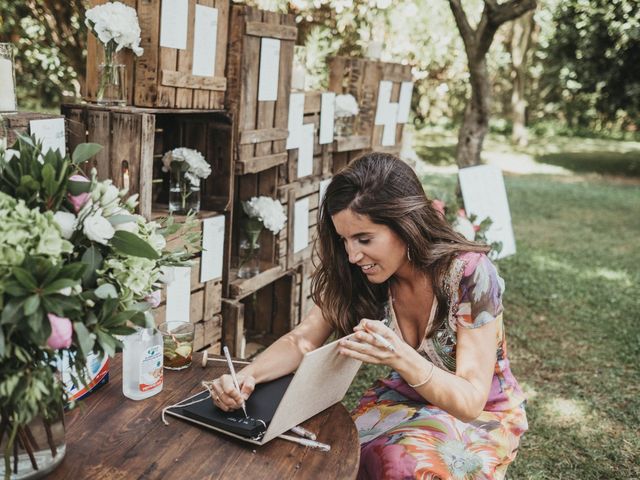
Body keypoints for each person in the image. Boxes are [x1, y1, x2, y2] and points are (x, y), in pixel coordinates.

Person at [208, 152, 528, 479]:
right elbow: (303, 339)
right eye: (344, 239)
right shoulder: (362, 274)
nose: (352, 255)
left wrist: (400, 355)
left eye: (364, 238)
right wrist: (247, 377)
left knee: (404, 463)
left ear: (406, 225)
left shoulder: (471, 275)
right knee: (325, 456)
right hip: (402, 400)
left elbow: (471, 400)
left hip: (480, 414)